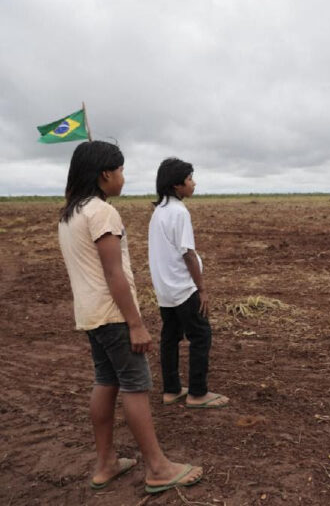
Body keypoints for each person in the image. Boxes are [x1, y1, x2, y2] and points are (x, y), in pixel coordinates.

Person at [58, 141, 203, 494]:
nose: (124, 177)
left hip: (90, 315)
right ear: (105, 174)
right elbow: (114, 274)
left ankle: (105, 463)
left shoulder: (70, 214)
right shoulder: (102, 213)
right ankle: (158, 467)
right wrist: (135, 323)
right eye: (120, 170)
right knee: (136, 387)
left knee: (105, 381)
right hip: (113, 316)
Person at [148, 157, 229, 409]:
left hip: (164, 289)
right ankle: (197, 393)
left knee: (170, 336)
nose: (194, 183)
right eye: (189, 179)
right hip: (183, 288)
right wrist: (202, 289)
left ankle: (171, 390)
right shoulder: (179, 212)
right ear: (176, 185)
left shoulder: (159, 211)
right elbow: (188, 253)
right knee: (201, 335)